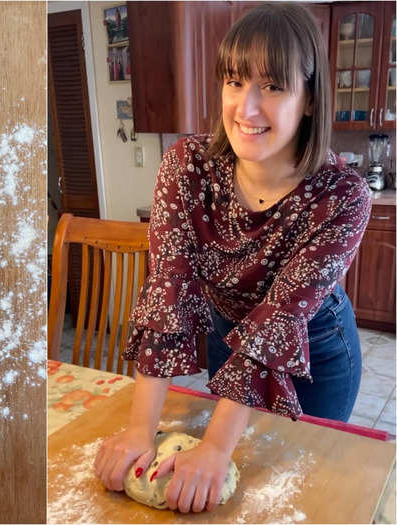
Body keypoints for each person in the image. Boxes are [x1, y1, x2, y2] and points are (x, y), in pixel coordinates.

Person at [94, 3, 371, 514]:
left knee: (299, 490)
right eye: (234, 82)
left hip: (316, 351)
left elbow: (277, 322)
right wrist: (139, 431)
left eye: (273, 86)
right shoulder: (187, 166)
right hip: (229, 335)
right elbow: (167, 291)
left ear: (309, 99)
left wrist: (216, 448)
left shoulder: (342, 195)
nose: (246, 109)